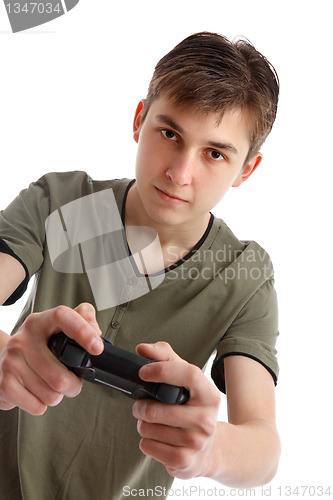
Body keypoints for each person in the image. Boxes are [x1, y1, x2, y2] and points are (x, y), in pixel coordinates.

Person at [0, 32, 280, 499]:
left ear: (246, 169)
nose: (180, 173)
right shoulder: (59, 202)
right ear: (139, 120)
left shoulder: (245, 276)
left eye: (215, 153)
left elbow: (264, 447)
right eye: (169, 134)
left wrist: (211, 449)